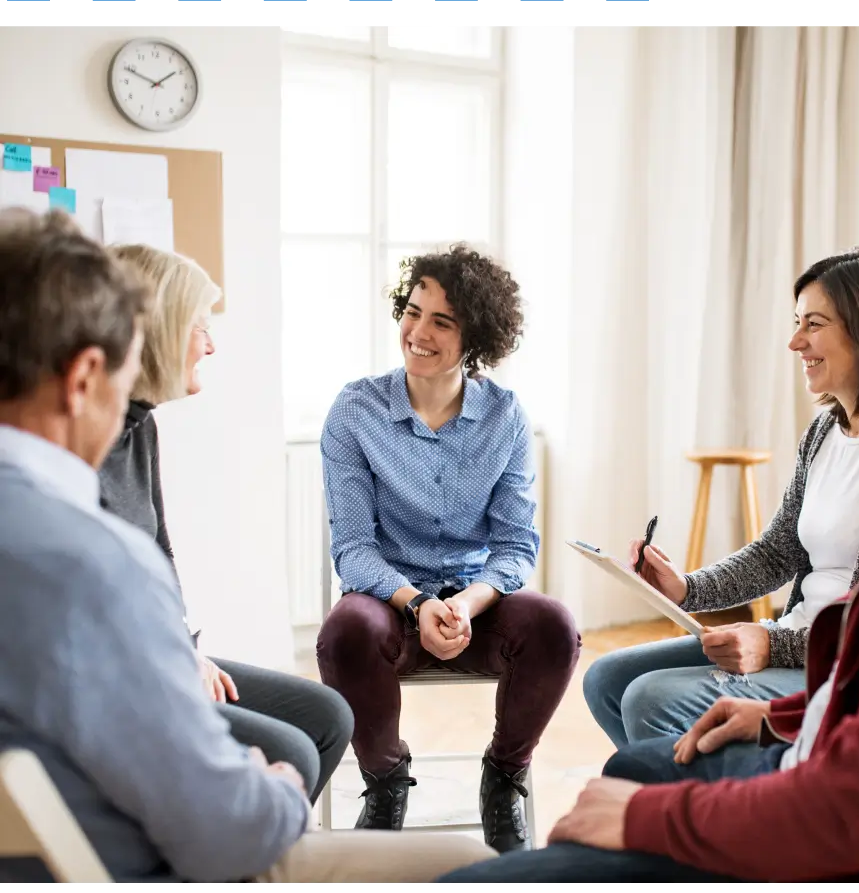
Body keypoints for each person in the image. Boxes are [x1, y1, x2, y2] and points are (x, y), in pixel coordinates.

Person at [439, 158, 859, 883]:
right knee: (631, 748)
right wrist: (776, 716)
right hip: (813, 752)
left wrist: (643, 819)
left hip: (831, 844)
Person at [0, 208, 497, 883]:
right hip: (149, 860)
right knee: (469, 864)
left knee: (319, 716)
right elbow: (230, 830)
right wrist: (280, 784)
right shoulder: (91, 564)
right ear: (85, 377)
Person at [583, 247, 859, 748]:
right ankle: (724, 795)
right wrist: (685, 589)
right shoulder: (825, 430)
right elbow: (779, 552)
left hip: (856, 665)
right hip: (798, 637)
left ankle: (730, 809)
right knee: (607, 681)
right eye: (797, 323)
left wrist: (774, 643)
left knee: (650, 701)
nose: (795, 342)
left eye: (813, 324)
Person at [316, 244, 581, 852]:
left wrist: (467, 603)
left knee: (554, 625)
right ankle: (385, 784)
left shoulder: (506, 416)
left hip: (475, 613)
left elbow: (516, 545)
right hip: (390, 606)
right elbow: (354, 549)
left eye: (443, 321)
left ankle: (503, 779)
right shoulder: (356, 411)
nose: (419, 332)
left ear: (477, 337)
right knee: (345, 630)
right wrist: (416, 605)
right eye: (413, 311)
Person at [96, 243, 353, 806]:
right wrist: (174, 658)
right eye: (199, 326)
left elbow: (158, 553)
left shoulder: (142, 428)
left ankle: (267, 853)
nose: (211, 344)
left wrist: (186, 647)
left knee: (329, 715)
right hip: (125, 674)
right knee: (295, 753)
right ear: (160, 329)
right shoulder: (81, 441)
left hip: (162, 651)